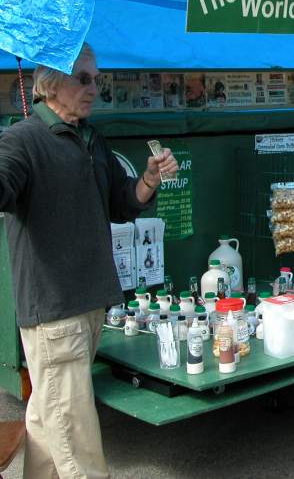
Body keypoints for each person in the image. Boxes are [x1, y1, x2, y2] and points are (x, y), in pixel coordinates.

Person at [0, 43, 178, 477]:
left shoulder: (92, 140)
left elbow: (122, 202)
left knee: (48, 422)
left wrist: (149, 180)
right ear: (50, 84)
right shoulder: (21, 141)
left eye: (96, 78)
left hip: (92, 302)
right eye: (83, 78)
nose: (94, 88)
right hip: (54, 313)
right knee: (77, 443)